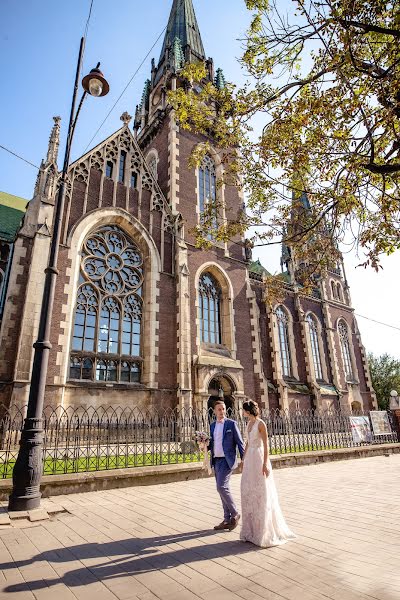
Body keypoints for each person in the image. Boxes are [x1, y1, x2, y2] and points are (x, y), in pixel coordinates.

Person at [240, 400, 296, 547]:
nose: (242, 412)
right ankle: (251, 531)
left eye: (243, 410)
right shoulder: (249, 423)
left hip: (258, 458)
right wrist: (243, 458)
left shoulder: (260, 424)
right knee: (249, 491)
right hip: (250, 460)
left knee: (261, 492)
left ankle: (263, 531)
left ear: (248, 410)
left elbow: (266, 445)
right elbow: (247, 442)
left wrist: (265, 463)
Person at [208, 400, 245, 531]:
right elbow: (211, 443)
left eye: (223, 409)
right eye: (219, 409)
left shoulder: (231, 424)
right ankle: (226, 519)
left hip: (227, 460)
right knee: (221, 489)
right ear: (214, 411)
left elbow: (240, 443)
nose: (222, 411)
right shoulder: (212, 426)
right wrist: (203, 444)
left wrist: (243, 459)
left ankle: (235, 513)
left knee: (221, 487)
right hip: (216, 460)